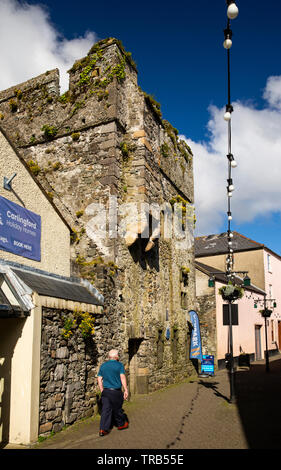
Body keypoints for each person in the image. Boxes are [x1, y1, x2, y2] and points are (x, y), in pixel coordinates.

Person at [97, 349, 129, 436]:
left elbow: (99, 378)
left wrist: (102, 390)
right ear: (117, 357)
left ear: (109, 357)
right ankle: (121, 424)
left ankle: (103, 429)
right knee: (117, 409)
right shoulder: (119, 365)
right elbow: (122, 377)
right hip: (116, 392)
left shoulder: (103, 366)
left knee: (105, 410)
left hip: (106, 392)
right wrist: (125, 390)